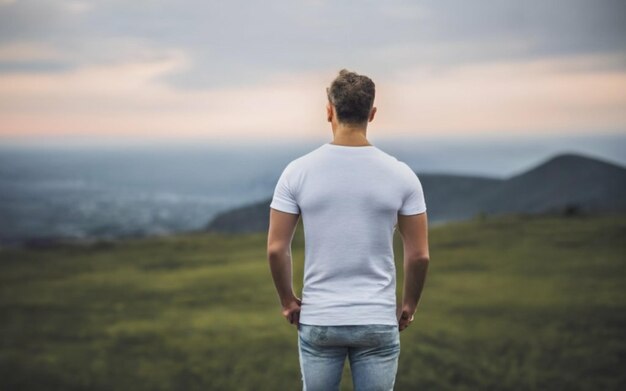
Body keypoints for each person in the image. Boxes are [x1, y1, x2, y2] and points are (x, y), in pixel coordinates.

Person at [266, 69, 430, 391]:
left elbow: (276, 248)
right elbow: (419, 254)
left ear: (329, 110)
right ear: (372, 113)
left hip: (320, 319)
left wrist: (288, 301)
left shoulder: (296, 172)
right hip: (377, 319)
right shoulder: (402, 175)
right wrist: (409, 305)